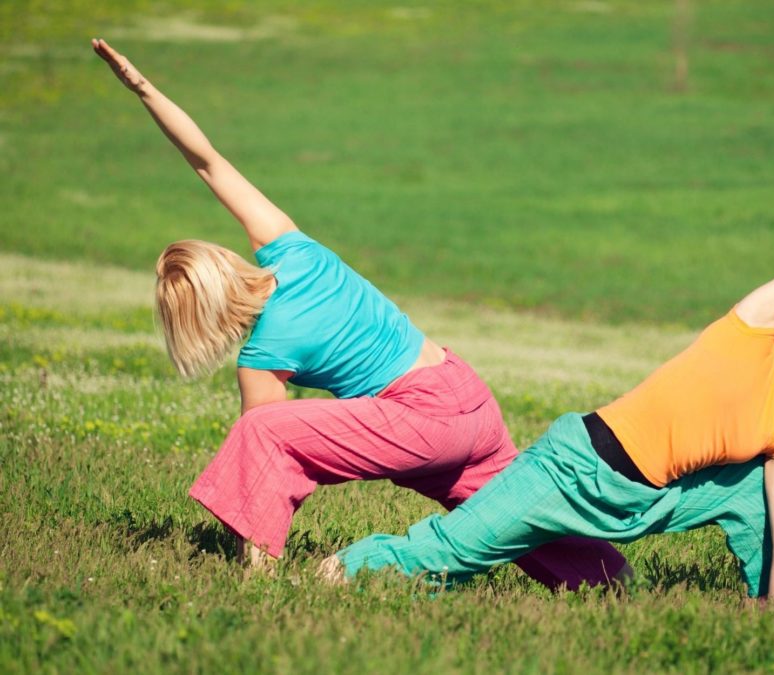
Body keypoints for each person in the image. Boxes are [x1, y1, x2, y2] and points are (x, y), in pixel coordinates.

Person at [91, 38, 631, 590]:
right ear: (226, 263)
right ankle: (608, 579)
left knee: (261, 431)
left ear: (197, 317)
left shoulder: (260, 359)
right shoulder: (288, 247)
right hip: (467, 394)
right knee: (511, 509)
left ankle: (264, 581)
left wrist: (252, 562)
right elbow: (208, 163)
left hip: (423, 422)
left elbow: (268, 461)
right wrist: (144, 89)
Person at [322, 161, 774, 602]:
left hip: (644, 502)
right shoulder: (750, 326)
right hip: (573, 465)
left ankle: (761, 604)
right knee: (459, 550)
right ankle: (335, 574)